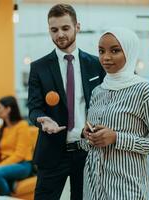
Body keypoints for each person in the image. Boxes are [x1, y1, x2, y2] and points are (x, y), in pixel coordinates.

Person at [27, 4, 106, 200]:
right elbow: (34, 108)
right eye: (54, 30)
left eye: (65, 28)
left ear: (77, 27)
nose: (60, 34)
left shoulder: (96, 64)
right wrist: (42, 119)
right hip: (52, 150)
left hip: (87, 150)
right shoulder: (39, 67)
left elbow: (106, 104)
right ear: (49, 31)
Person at [81, 27, 149, 200]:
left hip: (126, 190)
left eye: (115, 50)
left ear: (129, 51)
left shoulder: (145, 91)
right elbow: (90, 147)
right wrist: (87, 136)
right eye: (101, 51)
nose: (106, 57)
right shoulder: (97, 91)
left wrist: (117, 138)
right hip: (93, 188)